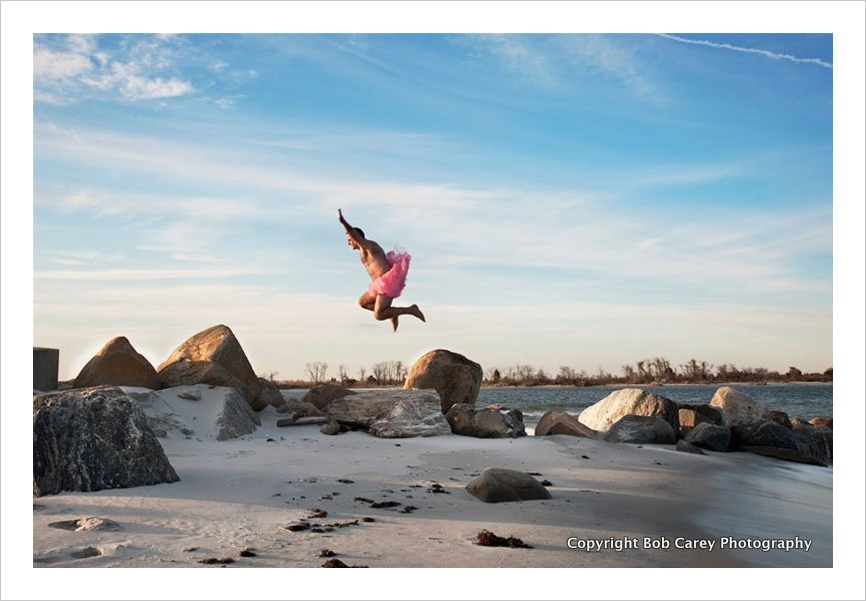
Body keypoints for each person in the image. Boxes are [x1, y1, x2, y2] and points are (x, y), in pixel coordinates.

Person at [339, 208, 426, 332]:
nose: (349, 243)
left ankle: (410, 309)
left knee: (379, 315)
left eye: (349, 240)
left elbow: (354, 234)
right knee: (363, 302)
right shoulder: (362, 252)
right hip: (379, 284)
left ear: (356, 238)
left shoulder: (369, 247)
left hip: (388, 282)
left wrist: (343, 223)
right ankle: (392, 313)